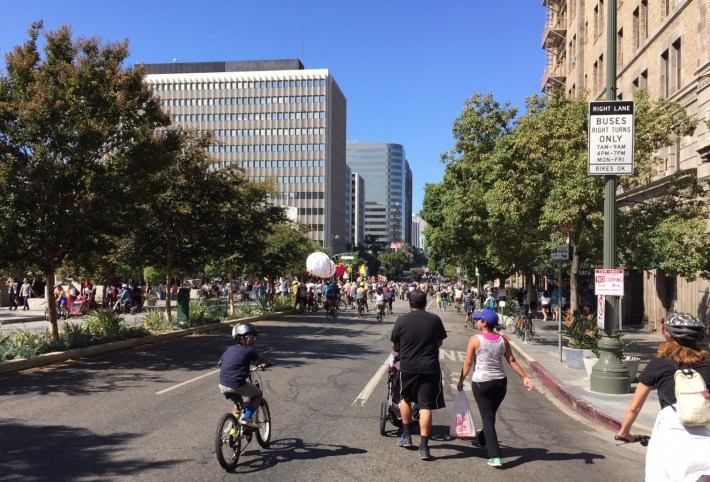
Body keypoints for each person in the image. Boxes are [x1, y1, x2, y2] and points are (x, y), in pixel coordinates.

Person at [617, 312, 710, 481]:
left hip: (670, 435)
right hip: (706, 437)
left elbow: (634, 407)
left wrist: (625, 432)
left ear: (667, 334)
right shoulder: (707, 365)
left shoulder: (658, 364)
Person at [456, 308, 534, 468]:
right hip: (500, 383)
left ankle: (495, 455)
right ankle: (483, 436)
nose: (476, 321)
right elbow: (511, 360)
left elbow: (468, 363)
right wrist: (524, 377)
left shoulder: (475, 339)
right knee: (489, 415)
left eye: (478, 319)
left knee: (487, 418)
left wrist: (461, 380)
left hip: (482, 383)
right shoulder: (502, 340)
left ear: (484, 323)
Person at [390, 289, 447, 461]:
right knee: (425, 406)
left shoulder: (402, 320)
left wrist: (403, 349)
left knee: (405, 399)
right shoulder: (435, 320)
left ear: (410, 303)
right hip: (430, 367)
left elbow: (395, 344)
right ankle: (424, 447)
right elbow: (439, 342)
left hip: (408, 366)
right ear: (425, 302)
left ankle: (406, 436)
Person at [218, 322, 273, 428]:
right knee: (258, 395)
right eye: (251, 337)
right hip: (237, 384)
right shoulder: (249, 350)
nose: (253, 340)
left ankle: (232, 432)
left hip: (223, 385)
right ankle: (246, 417)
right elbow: (261, 359)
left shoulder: (229, 349)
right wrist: (267, 363)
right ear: (242, 338)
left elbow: (219, 363)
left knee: (237, 405)